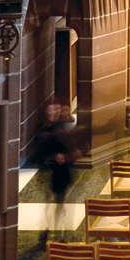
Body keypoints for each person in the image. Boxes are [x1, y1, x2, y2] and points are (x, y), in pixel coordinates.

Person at [34, 99, 79, 241]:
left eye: (57, 110)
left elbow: (76, 153)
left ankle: (61, 234)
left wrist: (64, 157)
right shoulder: (42, 128)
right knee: (49, 205)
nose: (54, 113)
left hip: (62, 173)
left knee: (61, 204)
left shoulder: (62, 131)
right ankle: (49, 231)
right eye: (51, 110)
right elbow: (38, 151)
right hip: (47, 172)